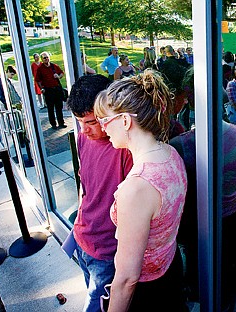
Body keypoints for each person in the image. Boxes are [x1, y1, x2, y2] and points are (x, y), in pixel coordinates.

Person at [93, 69, 188, 311]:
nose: (103, 129)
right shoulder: (171, 154)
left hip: (149, 292)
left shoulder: (136, 188)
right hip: (171, 267)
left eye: (105, 121)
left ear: (125, 121)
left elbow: (127, 279)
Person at [170, 67, 236, 310]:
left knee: (200, 281)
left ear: (191, 100)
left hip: (196, 227)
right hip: (233, 219)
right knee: (230, 276)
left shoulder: (179, 145)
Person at [65, 74, 133, 312]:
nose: (84, 130)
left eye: (92, 121)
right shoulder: (83, 138)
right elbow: (85, 186)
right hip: (82, 239)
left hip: (107, 251)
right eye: (78, 121)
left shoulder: (126, 148)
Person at [35, 51, 67, 129]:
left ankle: (61, 123)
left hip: (57, 89)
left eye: (47, 57)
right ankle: (53, 124)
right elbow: (37, 80)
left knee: (59, 107)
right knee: (50, 108)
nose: (46, 59)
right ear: (42, 59)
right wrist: (41, 88)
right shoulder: (40, 69)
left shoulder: (54, 66)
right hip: (48, 90)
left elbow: (62, 73)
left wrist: (58, 76)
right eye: (44, 58)